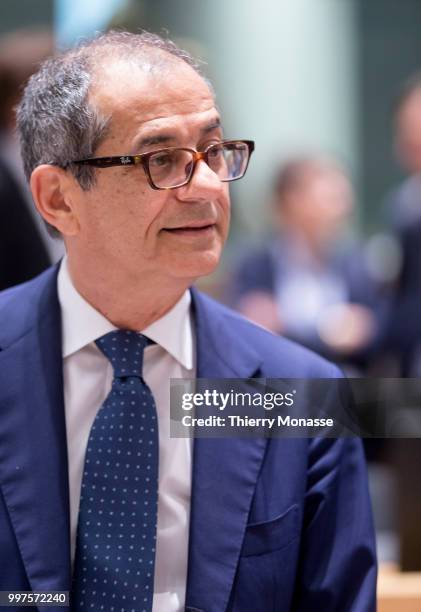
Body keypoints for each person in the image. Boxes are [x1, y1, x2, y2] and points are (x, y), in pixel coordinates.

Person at [0, 30, 376, 611]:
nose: (206, 187)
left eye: (213, 152)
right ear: (59, 199)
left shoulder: (302, 392)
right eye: (161, 160)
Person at [231, 157, 380, 366]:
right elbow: (252, 334)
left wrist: (286, 327)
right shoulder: (257, 264)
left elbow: (372, 333)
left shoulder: (353, 260)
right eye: (330, 198)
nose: (342, 209)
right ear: (293, 201)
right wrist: (330, 334)